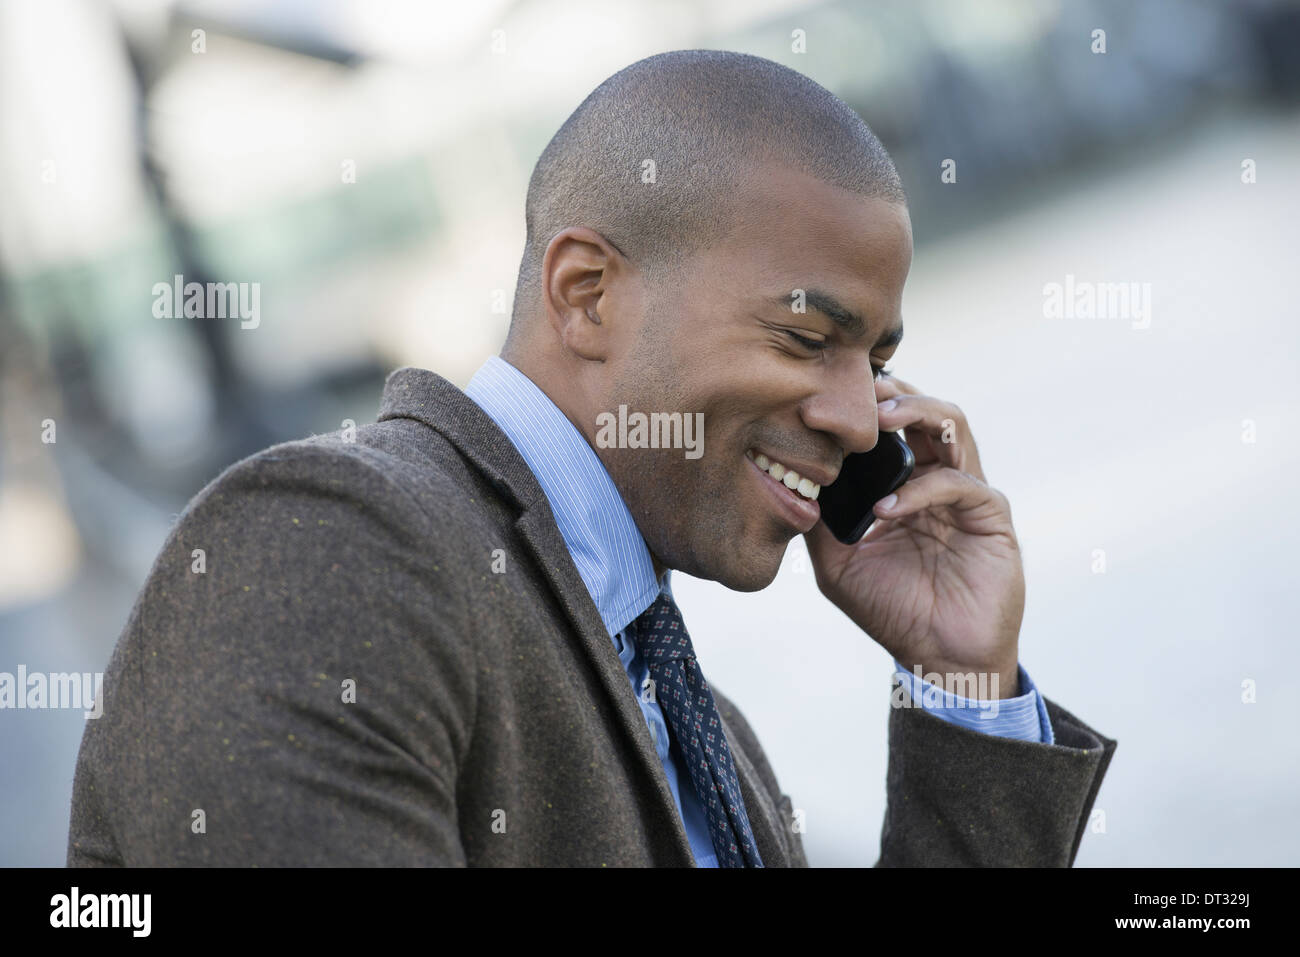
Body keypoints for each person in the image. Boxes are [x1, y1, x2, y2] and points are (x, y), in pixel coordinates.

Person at [67, 49, 1115, 867]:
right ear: (587, 294)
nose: (857, 416)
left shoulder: (709, 741)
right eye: (805, 339)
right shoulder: (321, 541)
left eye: (877, 360)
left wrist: (962, 687)